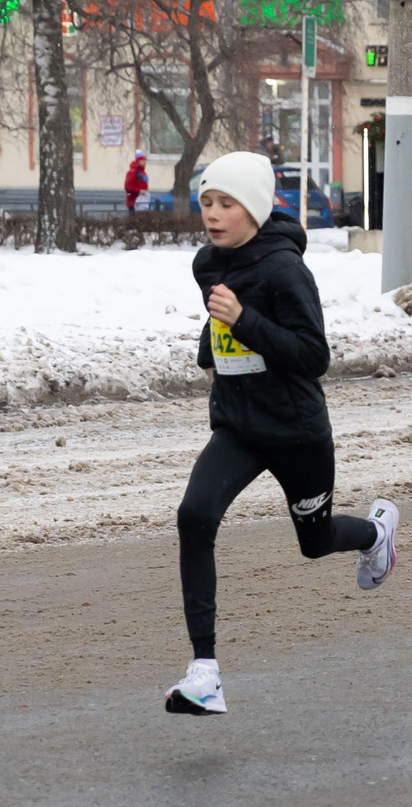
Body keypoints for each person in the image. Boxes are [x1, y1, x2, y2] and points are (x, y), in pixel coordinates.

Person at [168, 150, 398, 715]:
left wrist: (244, 320)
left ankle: (374, 534)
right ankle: (204, 672)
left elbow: (313, 355)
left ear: (255, 208)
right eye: (206, 201)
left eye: (226, 203)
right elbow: (218, 320)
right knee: (194, 516)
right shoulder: (208, 264)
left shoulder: (285, 271)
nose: (213, 214)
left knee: (315, 543)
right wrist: (211, 349)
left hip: (296, 432)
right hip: (238, 428)